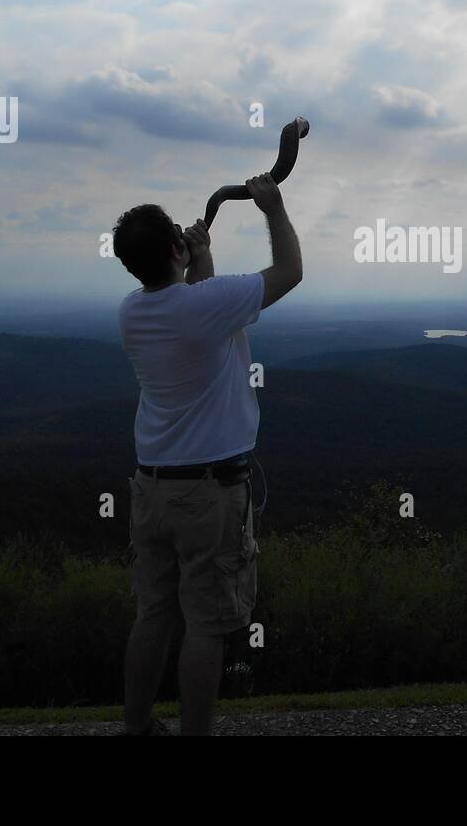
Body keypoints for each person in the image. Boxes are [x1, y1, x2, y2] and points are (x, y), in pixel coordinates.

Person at [112, 173, 301, 735]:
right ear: (174, 248)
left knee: (153, 615)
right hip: (210, 495)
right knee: (206, 626)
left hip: (152, 490)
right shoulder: (202, 305)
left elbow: (199, 311)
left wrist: (202, 255)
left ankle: (137, 727)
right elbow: (291, 272)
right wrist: (274, 207)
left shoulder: (132, 312)